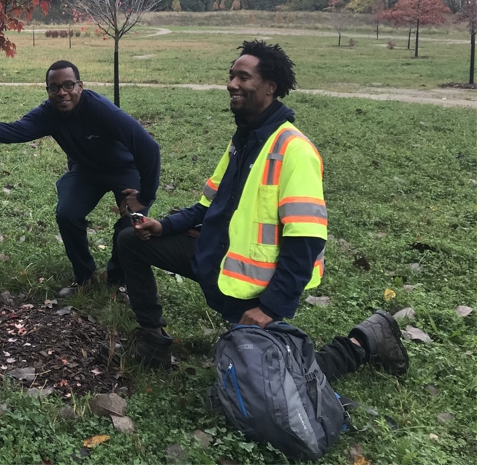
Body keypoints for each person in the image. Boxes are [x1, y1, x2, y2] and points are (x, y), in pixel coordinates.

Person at [116, 40, 408, 383]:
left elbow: (307, 241)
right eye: (231, 76)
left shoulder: (294, 150)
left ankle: (364, 341)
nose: (232, 84)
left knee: (273, 381)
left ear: (270, 87)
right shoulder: (242, 141)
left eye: (244, 77)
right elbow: (207, 206)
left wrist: (269, 308)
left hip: (254, 290)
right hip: (214, 262)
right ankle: (153, 340)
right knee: (130, 241)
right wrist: (163, 226)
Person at [0, 60, 160, 293]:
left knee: (132, 222)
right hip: (85, 170)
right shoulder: (48, 113)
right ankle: (85, 276)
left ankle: (117, 279)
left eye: (68, 85)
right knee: (67, 214)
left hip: (124, 168)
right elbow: (18, 130)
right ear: (48, 91)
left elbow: (149, 148)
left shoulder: (102, 110)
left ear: (80, 86)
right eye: (54, 88)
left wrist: (144, 197)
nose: (62, 92)